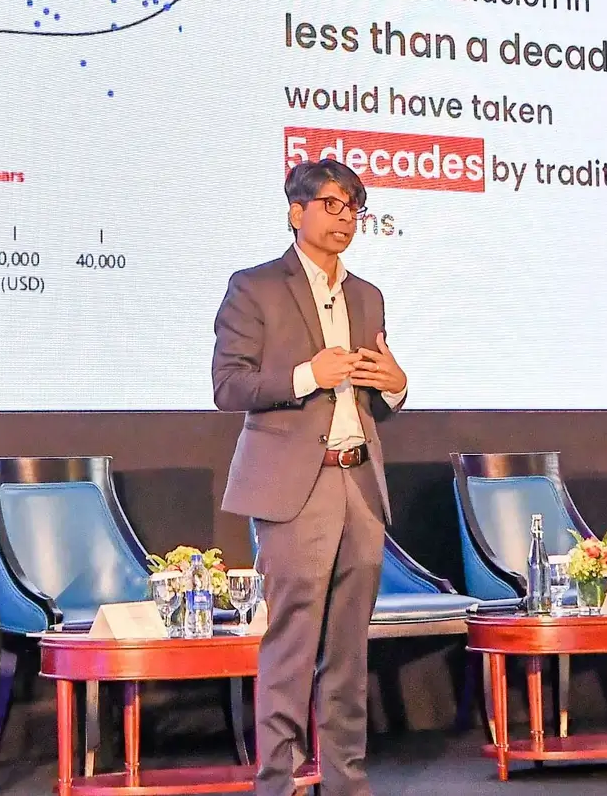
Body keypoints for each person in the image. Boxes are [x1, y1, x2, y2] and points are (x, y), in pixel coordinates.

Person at [212, 157, 407, 796]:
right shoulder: (255, 287)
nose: (345, 218)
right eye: (331, 204)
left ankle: (348, 782)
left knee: (349, 650)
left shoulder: (367, 295)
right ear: (296, 212)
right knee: (292, 645)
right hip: (296, 488)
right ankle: (277, 783)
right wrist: (307, 375)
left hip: (359, 482)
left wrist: (396, 387)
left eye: (354, 207)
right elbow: (228, 386)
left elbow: (374, 394)